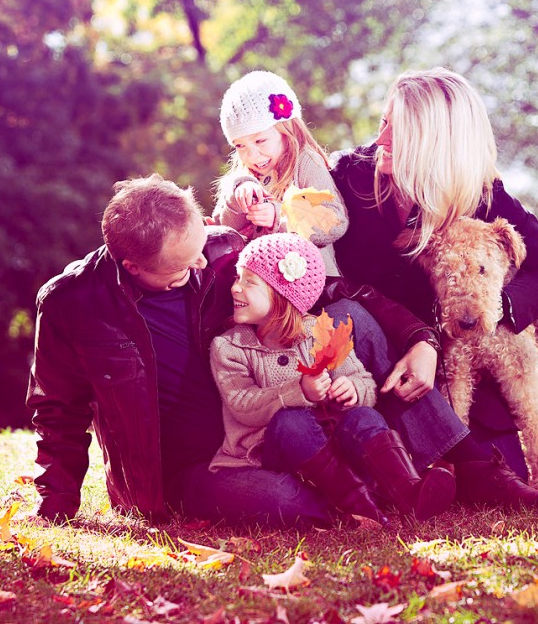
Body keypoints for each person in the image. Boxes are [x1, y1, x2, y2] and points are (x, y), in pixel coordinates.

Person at [26, 175, 334, 528]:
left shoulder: (222, 252)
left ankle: (362, 491)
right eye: (184, 265)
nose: (201, 265)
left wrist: (413, 335)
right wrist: (56, 505)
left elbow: (303, 293)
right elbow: (57, 410)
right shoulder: (71, 303)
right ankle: (337, 499)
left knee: (313, 443)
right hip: (180, 474)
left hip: (255, 437)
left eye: (199, 251)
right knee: (286, 500)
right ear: (133, 267)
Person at [331, 67, 538, 505]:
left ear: (434, 145)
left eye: (397, 130)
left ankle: (465, 460)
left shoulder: (483, 195)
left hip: (459, 373)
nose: (379, 139)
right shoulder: (348, 178)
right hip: (373, 357)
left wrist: (487, 307)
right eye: (384, 122)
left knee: (497, 472)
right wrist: (420, 339)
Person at [209, 232, 454, 525]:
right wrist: (299, 391)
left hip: (335, 449)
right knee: (292, 422)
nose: (235, 288)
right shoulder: (229, 347)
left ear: (282, 294)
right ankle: (356, 504)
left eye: (249, 282)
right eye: (238, 278)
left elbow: (363, 380)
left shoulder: (319, 333)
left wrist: (353, 389)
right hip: (274, 452)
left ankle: (408, 490)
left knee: (363, 416)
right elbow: (241, 404)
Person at [213, 70, 348, 278]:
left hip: (311, 284)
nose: (251, 155)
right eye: (240, 145)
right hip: (261, 290)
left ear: (287, 130)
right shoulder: (243, 176)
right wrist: (237, 194)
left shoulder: (304, 162)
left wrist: (280, 215)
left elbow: (335, 221)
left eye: (260, 141)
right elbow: (225, 231)